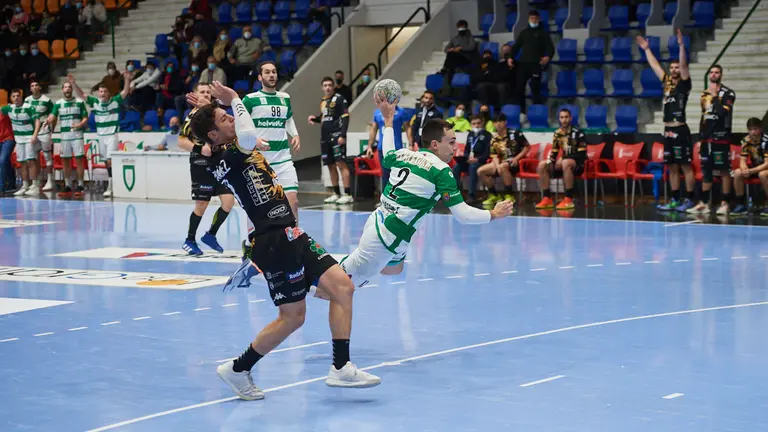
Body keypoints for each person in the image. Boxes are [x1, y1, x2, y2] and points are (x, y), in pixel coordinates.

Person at [186, 81, 380, 400]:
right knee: (293, 318)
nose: (232, 119)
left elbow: (248, 134)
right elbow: (247, 135)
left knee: (343, 287)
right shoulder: (231, 154)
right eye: (225, 120)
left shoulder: (236, 146)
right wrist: (233, 99)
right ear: (213, 136)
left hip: (291, 233)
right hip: (274, 241)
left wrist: (207, 108)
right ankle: (238, 369)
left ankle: (341, 367)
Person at [308, 91, 513, 292]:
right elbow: (463, 215)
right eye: (451, 142)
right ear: (435, 144)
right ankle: (303, 270)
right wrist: (493, 214)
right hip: (387, 235)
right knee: (341, 287)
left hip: (381, 221)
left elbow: (387, 154)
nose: (455, 148)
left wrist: (388, 123)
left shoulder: (406, 154)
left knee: (394, 269)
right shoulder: (441, 171)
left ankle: (340, 261)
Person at [637, 30, 695, 212]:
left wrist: (681, 46)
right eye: (672, 68)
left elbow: (684, 65)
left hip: (681, 129)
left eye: (676, 67)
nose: (674, 70)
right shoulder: (667, 82)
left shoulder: (685, 83)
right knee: (672, 167)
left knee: (685, 166)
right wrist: (647, 50)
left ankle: (690, 200)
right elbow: (655, 67)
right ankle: (675, 199)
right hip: (667, 130)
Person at [177, 82, 235, 255]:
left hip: (218, 161)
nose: (206, 95)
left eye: (208, 92)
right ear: (194, 95)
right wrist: (200, 148)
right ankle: (189, 239)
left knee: (229, 201)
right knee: (202, 204)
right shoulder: (193, 117)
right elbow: (181, 141)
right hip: (201, 164)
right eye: (202, 92)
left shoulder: (215, 114)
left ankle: (210, 234)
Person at [241, 61, 301, 224]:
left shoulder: (284, 98)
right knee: (259, 207)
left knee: (293, 203)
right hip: (260, 162)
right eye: (267, 72)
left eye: (273, 72)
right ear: (260, 77)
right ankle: (252, 243)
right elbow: (239, 126)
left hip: (283, 160)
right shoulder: (250, 100)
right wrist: (254, 140)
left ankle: (293, 241)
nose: (272, 75)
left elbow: (288, 119)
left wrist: (295, 134)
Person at [70, 71, 131, 198]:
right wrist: (73, 84)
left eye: (104, 92)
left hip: (112, 135)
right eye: (100, 92)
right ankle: (111, 182)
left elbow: (125, 92)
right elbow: (82, 95)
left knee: (109, 161)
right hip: (100, 136)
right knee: (105, 162)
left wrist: (127, 80)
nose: (102, 94)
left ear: (109, 93)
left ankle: (111, 186)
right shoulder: (95, 102)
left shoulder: (114, 101)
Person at [687, 65, 736, 215]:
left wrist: (715, 97)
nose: (714, 75)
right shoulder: (704, 94)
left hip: (721, 138)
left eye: (717, 72)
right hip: (706, 139)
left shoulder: (728, 93)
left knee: (723, 171)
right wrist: (701, 138)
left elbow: (722, 114)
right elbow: (705, 118)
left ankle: (725, 203)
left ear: (721, 75)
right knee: (706, 170)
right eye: (712, 72)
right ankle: (703, 203)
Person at [308, 76, 353, 204]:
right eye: (325, 85)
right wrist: (315, 119)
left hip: (337, 135)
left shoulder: (340, 99)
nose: (327, 87)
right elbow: (325, 117)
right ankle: (336, 193)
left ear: (333, 87)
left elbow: (345, 117)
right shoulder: (323, 101)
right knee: (330, 165)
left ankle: (348, 194)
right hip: (325, 137)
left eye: (329, 85)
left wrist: (342, 135)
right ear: (322, 87)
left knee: (340, 163)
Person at [535, 108, 586, 211]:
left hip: (578, 164)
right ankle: (547, 198)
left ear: (570, 118)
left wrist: (563, 158)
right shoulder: (557, 133)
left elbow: (581, 154)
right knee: (542, 164)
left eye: (566, 117)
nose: (564, 120)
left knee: (566, 162)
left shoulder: (578, 133)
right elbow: (554, 153)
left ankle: (568, 199)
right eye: (562, 117)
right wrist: (550, 162)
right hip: (563, 163)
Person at [508, 10, 554, 114]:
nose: (533, 20)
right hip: (523, 64)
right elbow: (516, 46)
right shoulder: (524, 32)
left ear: (538, 19)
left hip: (536, 64)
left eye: (535, 18)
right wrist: (510, 57)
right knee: (519, 88)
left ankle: (536, 112)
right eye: (531, 18)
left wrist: (548, 57)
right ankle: (522, 112)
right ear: (529, 19)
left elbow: (550, 48)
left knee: (535, 89)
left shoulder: (543, 33)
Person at [478, 114, 529, 207]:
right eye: (495, 122)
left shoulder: (515, 133)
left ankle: (509, 195)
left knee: (502, 166)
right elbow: (494, 155)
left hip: (516, 162)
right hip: (501, 162)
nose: (498, 124)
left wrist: (517, 158)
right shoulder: (494, 138)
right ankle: (493, 195)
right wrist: (496, 165)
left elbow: (527, 147)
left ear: (505, 122)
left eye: (500, 122)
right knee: (481, 171)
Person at [49, 79, 88, 198]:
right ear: (62, 90)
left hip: (77, 135)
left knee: (79, 160)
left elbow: (85, 118)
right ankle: (68, 185)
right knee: (65, 161)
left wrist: (80, 125)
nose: (67, 89)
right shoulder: (58, 103)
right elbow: (53, 116)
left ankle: (80, 184)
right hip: (64, 136)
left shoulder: (80, 102)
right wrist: (48, 120)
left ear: (71, 90)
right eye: (65, 87)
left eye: (69, 87)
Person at [1, 88, 41, 196]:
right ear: (11, 98)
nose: (16, 98)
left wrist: (34, 135)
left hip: (29, 139)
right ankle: (25, 185)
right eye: (13, 96)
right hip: (19, 140)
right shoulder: (9, 108)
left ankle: (35, 186)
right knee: (22, 163)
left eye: (17, 96)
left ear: (21, 97)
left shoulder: (29, 107)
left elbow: (37, 121)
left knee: (31, 162)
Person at [731, 118, 768, 215]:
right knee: (738, 173)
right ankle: (741, 204)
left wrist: (751, 171)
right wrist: (744, 170)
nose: (753, 132)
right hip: (754, 168)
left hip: (765, 168)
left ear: (760, 129)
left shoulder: (766, 141)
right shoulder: (745, 141)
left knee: (762, 174)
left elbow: (767, 163)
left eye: (755, 129)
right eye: (750, 129)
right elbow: (742, 160)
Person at [367, 104, 409, 188]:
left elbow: (408, 127)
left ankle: (397, 198)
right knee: (385, 175)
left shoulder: (401, 112)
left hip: (397, 148)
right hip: (382, 148)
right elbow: (374, 129)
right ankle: (384, 199)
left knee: (398, 175)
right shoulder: (377, 112)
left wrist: (411, 143)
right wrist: (369, 146)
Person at [452, 115, 492, 202]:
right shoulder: (470, 135)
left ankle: (472, 195)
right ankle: (457, 194)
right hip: (469, 160)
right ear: (471, 125)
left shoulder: (487, 135)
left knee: (473, 167)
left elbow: (487, 153)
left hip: (481, 161)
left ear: (482, 124)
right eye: (474, 124)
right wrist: (465, 157)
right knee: (456, 167)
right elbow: (467, 150)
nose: (476, 125)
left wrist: (477, 159)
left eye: (478, 123)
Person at [25, 80, 55, 191]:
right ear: (30, 88)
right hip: (32, 132)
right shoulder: (27, 100)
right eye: (32, 85)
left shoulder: (47, 100)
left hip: (44, 131)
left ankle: (50, 181)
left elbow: (53, 114)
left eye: (36, 85)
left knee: (47, 156)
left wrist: (52, 127)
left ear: (40, 87)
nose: (34, 87)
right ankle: (36, 181)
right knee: (33, 157)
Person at [0, 109, 13, 195]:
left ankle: (1, 187)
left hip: (7, 139)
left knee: (2, 161)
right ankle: (11, 183)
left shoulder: (3, 111)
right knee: (6, 162)